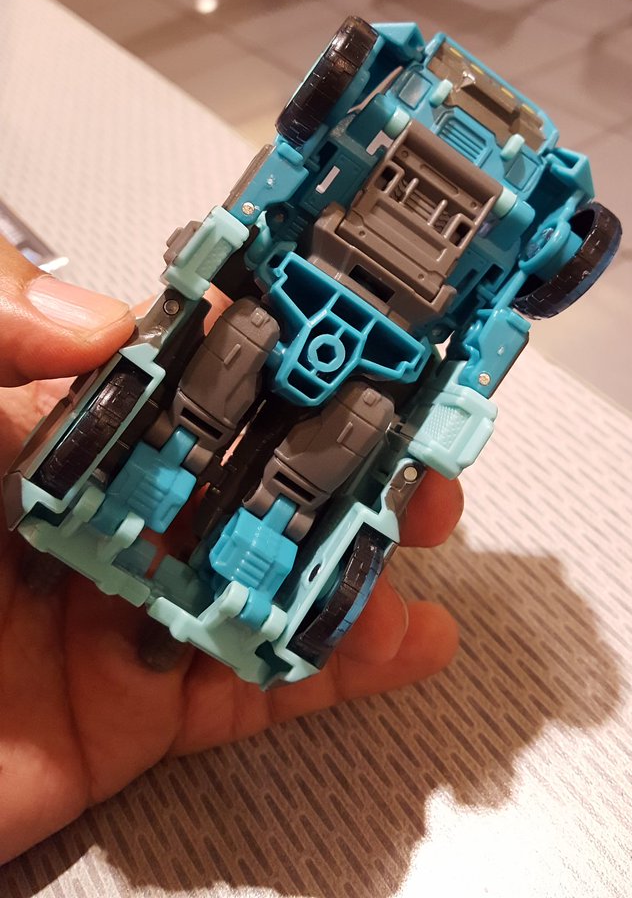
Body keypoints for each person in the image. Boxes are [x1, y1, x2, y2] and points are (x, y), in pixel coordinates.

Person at [0, 234, 462, 862]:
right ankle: (75, 551)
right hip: (281, 303)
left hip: (374, 368)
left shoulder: (530, 212)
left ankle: (206, 603)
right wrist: (221, 244)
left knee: (322, 458)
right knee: (224, 368)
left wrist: (451, 408)